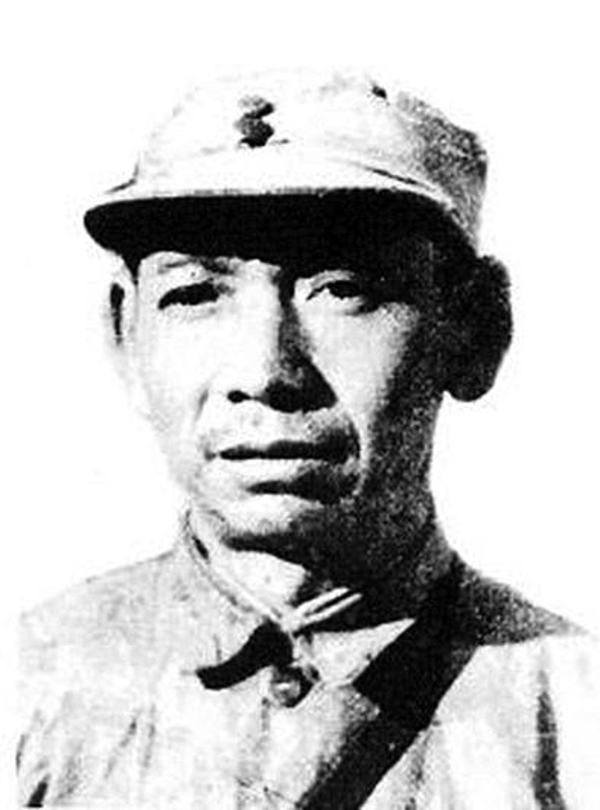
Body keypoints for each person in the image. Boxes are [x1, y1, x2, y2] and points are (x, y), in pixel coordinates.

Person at [18, 69, 599, 808]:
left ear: (474, 331)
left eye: (346, 289)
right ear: (125, 336)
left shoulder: (577, 713)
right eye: (195, 294)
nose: (265, 372)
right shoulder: (30, 685)